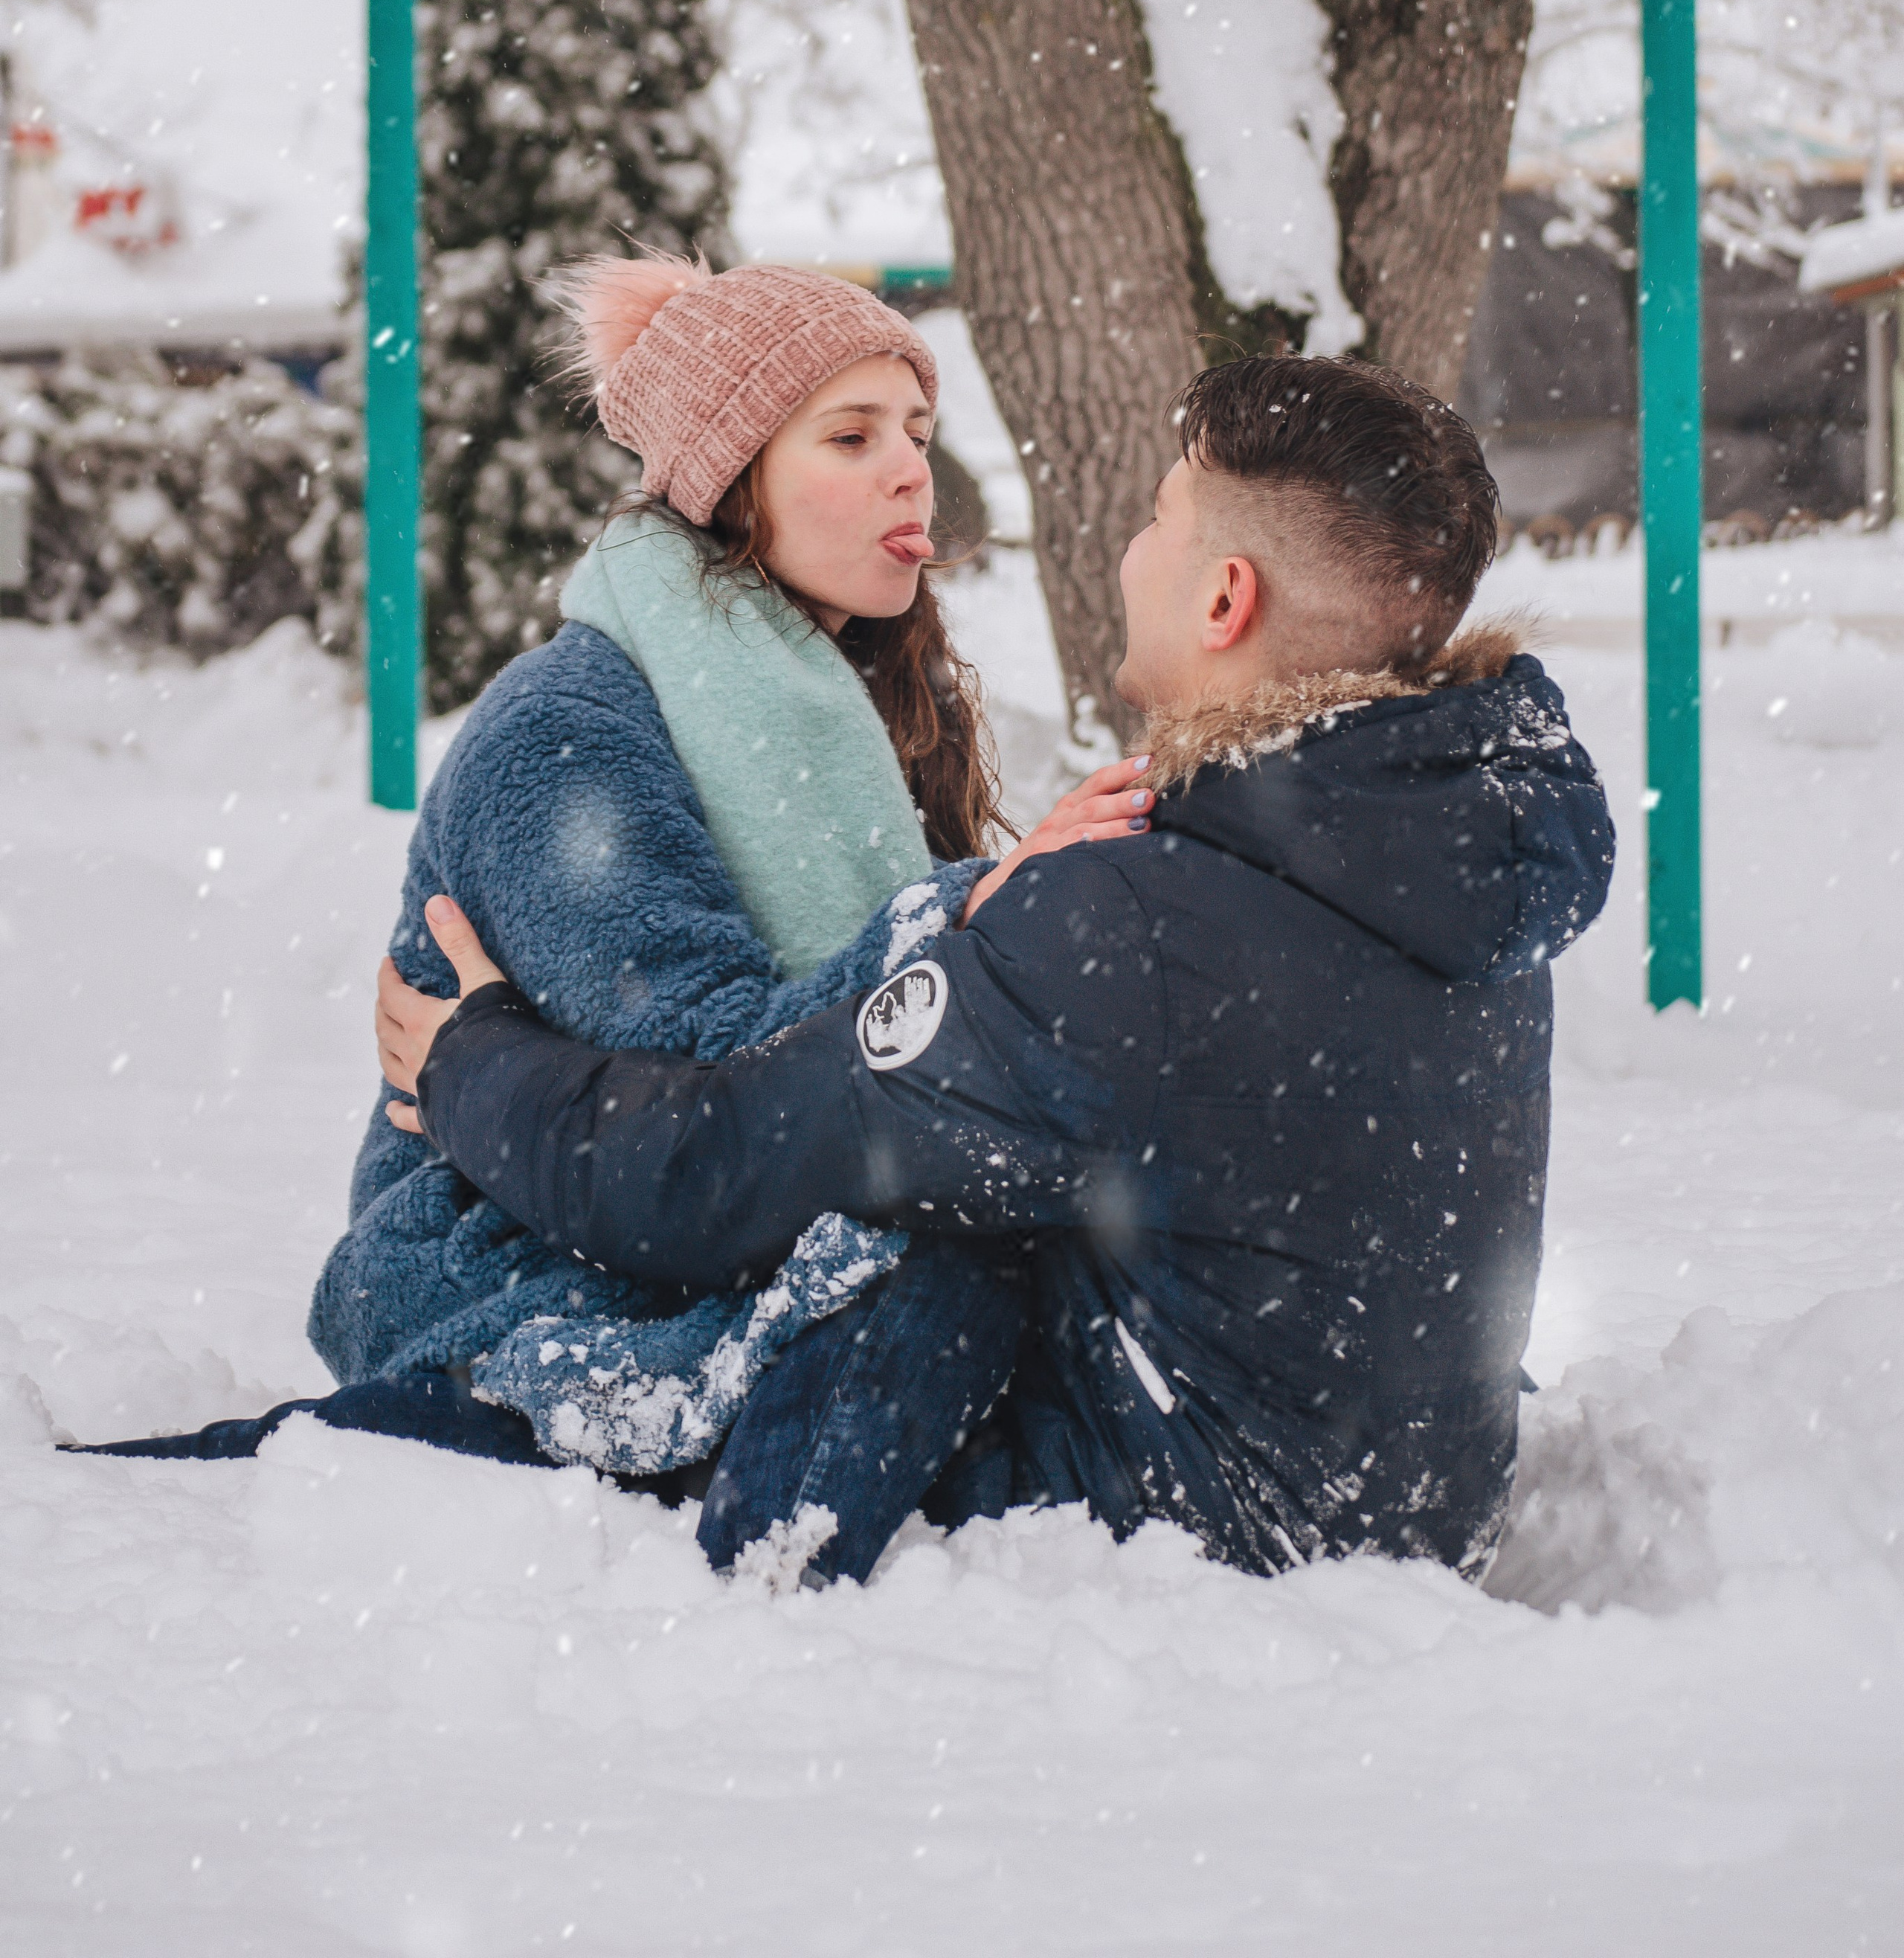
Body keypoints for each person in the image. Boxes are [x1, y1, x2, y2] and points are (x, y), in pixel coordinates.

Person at [377, 353, 1615, 1588]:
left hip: (1176, 1545)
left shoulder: (1132, 924)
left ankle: (754, 1601)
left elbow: (719, 1166)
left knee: (911, 1246)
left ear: (1224, 599)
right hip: (1399, 1520)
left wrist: (469, 1062)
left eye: (1155, 519)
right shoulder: (1440, 854)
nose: (1131, 552)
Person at [74, 256, 1146, 1486]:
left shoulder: (857, 708)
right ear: (728, 479)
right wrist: (963, 917)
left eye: (916, 429)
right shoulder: (567, 727)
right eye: (849, 437)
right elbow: (711, 1074)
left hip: (689, 1219)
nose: (911, 468)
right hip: (508, 1268)